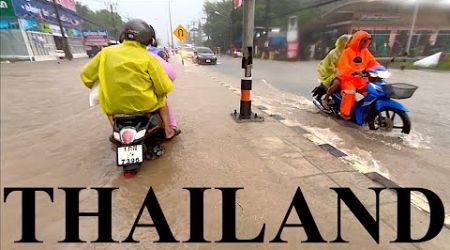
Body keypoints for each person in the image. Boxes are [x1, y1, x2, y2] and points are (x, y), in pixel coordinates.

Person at [80, 19, 180, 140]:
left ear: (123, 36)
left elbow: (86, 76)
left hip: (114, 106)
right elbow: (163, 87)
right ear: (148, 39)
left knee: (106, 106)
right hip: (146, 105)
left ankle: (115, 132)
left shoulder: (105, 53)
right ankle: (168, 132)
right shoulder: (149, 57)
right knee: (162, 99)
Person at [336, 30, 380, 120]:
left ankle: (365, 111)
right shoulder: (347, 52)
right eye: (364, 41)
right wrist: (354, 71)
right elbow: (343, 65)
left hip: (361, 80)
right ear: (358, 40)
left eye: (367, 41)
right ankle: (344, 113)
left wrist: (380, 69)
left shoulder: (365, 52)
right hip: (348, 78)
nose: (366, 43)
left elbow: (373, 62)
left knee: (372, 93)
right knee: (350, 91)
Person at [317, 34, 351, 110]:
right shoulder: (334, 53)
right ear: (342, 42)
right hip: (332, 73)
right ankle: (325, 98)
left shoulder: (348, 52)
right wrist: (339, 71)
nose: (349, 44)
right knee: (337, 83)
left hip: (346, 74)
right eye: (348, 42)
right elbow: (330, 66)